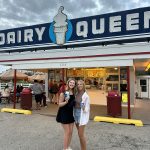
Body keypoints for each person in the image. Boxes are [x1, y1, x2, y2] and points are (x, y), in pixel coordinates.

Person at [56, 78, 76, 150]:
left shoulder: (73, 92)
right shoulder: (63, 92)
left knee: (71, 132)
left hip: (71, 114)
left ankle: (68, 146)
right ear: (68, 83)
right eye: (71, 82)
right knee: (67, 132)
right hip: (64, 113)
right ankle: (65, 148)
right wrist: (65, 102)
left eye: (73, 83)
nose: (72, 84)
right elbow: (59, 104)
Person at [74, 80, 90, 150]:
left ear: (83, 85)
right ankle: (82, 148)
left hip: (81, 115)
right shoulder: (76, 93)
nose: (79, 85)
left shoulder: (86, 95)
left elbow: (87, 108)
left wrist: (83, 108)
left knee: (81, 134)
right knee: (79, 134)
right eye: (78, 84)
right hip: (75, 114)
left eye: (81, 84)